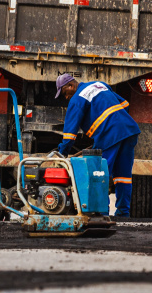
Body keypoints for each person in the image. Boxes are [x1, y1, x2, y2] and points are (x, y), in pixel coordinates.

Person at [54, 74, 140, 217]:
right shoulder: (99, 84)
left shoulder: (76, 99)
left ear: (70, 86)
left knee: (100, 174)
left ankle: (102, 212)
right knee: (122, 175)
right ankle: (123, 212)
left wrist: (62, 152)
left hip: (110, 134)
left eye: (64, 93)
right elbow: (124, 104)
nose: (66, 98)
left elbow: (69, 135)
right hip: (129, 130)